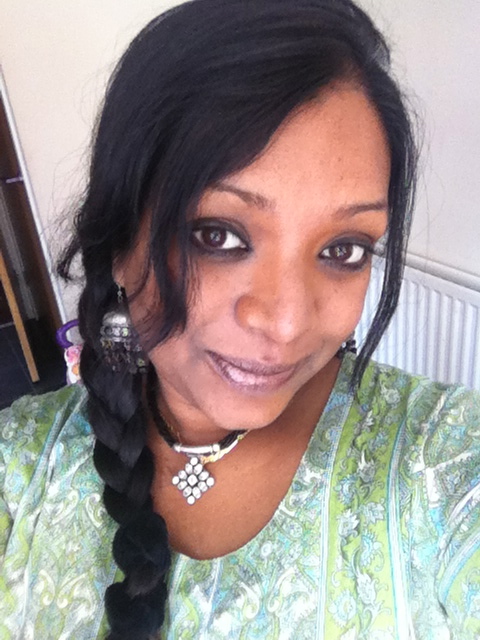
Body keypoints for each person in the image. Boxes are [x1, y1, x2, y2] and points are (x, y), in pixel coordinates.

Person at [1, 0, 479, 638]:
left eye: (344, 250)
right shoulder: (18, 470)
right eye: (218, 235)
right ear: (119, 239)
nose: (286, 323)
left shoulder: (441, 463)